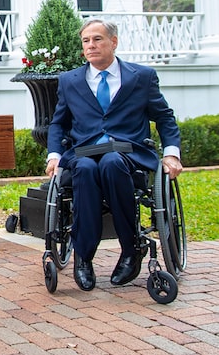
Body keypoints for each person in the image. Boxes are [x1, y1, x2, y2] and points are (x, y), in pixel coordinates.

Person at [46, 19, 182, 291]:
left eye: (97, 39)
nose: (91, 46)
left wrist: (171, 154)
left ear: (114, 42)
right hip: (85, 151)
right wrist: (54, 154)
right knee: (85, 168)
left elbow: (165, 118)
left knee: (111, 163)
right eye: (86, 41)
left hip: (128, 151)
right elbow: (58, 123)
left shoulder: (141, 77)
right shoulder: (70, 80)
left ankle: (130, 250)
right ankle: (83, 257)